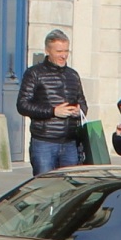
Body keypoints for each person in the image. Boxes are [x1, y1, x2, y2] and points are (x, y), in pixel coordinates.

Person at [16, 30, 87, 174]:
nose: (64, 55)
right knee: (44, 186)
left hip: (70, 143)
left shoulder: (73, 75)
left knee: (70, 188)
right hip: (44, 142)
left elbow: (83, 103)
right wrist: (53, 111)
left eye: (66, 51)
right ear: (48, 51)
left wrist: (78, 111)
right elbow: (22, 105)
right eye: (59, 51)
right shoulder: (34, 73)